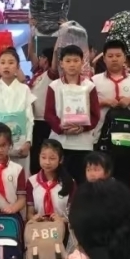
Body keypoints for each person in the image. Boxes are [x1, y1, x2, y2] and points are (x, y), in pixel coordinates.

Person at [92, 40, 130, 188]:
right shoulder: (95, 81)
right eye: (110, 56)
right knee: (101, 180)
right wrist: (104, 102)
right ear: (104, 58)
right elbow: (87, 106)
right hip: (101, 137)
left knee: (125, 181)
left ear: (125, 58)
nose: (114, 59)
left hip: (127, 138)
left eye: (118, 55)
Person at [44, 45, 101, 185]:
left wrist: (83, 128)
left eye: (76, 61)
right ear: (61, 63)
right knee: (59, 184)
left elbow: (95, 114)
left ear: (82, 62)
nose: (72, 65)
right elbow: (49, 113)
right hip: (60, 142)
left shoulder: (89, 86)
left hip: (83, 143)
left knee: (82, 183)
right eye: (68, 61)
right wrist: (61, 128)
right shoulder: (54, 86)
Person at [0, 48, 35, 173]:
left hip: (20, 142)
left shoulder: (24, 89)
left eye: (11, 62)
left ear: (18, 67)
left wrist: (28, 142)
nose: (6, 66)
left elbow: (29, 119)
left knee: (20, 175)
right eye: (3, 62)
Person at [26, 27, 56, 175]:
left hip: (44, 120)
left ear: (48, 59)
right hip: (33, 119)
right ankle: (35, 178)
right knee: (35, 153)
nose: (40, 59)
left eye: (43, 57)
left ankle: (45, 176)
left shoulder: (51, 75)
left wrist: (60, 37)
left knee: (44, 152)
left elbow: (55, 58)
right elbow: (30, 53)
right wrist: (31, 34)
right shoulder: (37, 73)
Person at [27, 139, 74, 224]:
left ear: (61, 159)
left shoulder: (70, 182)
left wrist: (62, 219)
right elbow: (29, 213)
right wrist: (34, 218)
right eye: (43, 157)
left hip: (63, 227)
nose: (47, 162)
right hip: (39, 228)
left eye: (52, 158)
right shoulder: (32, 181)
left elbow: (74, 214)